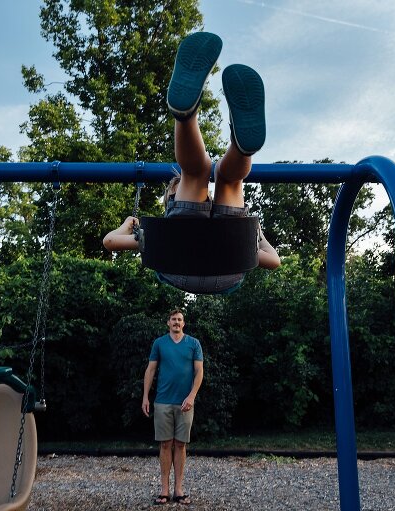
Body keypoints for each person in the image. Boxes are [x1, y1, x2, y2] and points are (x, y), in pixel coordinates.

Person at [103, 31, 281, 294]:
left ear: (170, 200)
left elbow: (109, 242)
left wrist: (129, 224)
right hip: (226, 260)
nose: (208, 197)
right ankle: (199, 124)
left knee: (219, 177)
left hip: (190, 267)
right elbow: (275, 261)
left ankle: (225, 140)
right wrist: (256, 236)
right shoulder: (160, 237)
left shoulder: (156, 240)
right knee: (205, 173)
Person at [142, 308, 203, 506]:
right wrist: (145, 396)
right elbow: (150, 369)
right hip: (162, 401)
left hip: (185, 402)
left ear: (184, 323)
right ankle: (164, 490)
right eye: (173, 319)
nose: (176, 322)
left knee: (180, 444)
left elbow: (199, 372)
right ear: (168, 323)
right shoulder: (159, 343)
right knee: (165, 444)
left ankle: (179, 489)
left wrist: (192, 396)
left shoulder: (193, 343)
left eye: (180, 319)